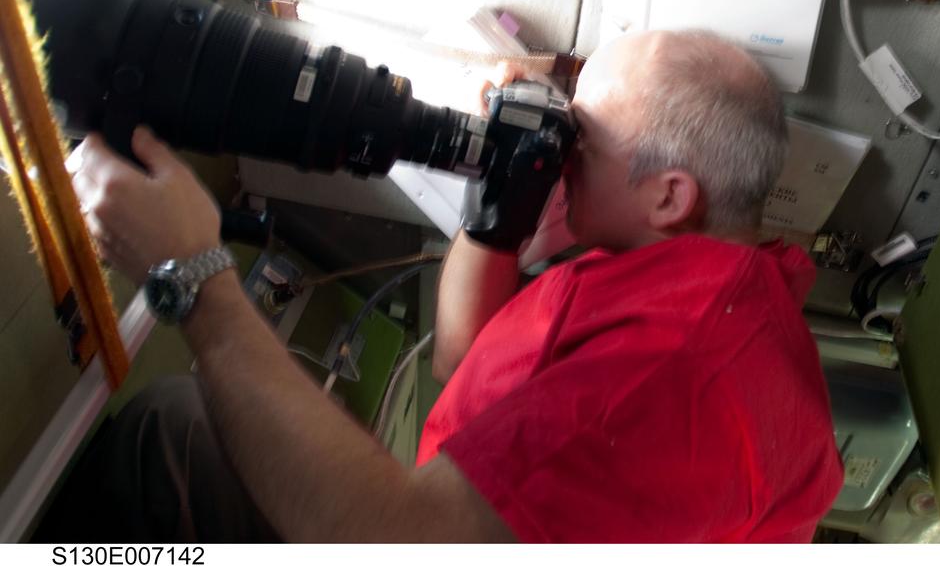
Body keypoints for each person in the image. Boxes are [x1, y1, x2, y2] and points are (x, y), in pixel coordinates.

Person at [55, 28, 842, 542]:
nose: (561, 146)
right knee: (183, 428)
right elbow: (467, 366)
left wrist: (191, 274)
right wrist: (502, 213)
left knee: (169, 436)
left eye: (582, 138)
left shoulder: (669, 373)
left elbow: (391, 543)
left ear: (669, 194)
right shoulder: (710, 279)